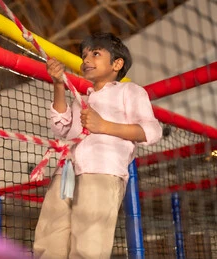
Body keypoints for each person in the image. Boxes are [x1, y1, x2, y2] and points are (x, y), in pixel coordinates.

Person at [33, 32, 162, 259]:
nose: (86, 60)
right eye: (84, 56)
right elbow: (60, 128)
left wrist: (103, 125)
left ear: (117, 63)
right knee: (49, 238)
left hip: (103, 173)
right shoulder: (81, 98)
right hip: (67, 172)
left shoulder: (130, 91)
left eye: (95, 53)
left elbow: (152, 131)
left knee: (89, 246)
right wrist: (58, 84)